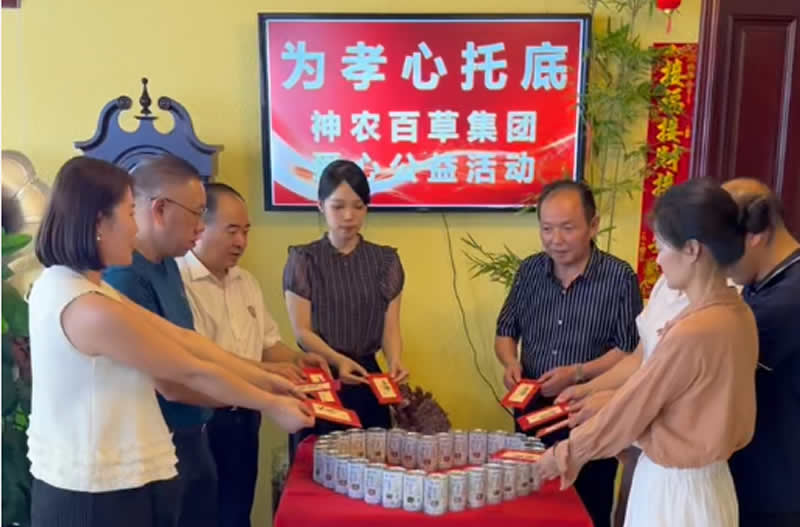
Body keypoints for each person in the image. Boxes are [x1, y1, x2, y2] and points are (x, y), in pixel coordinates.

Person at [27, 156, 313, 527]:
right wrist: (271, 402)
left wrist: (266, 379)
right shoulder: (87, 308)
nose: (135, 228)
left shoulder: (78, 286)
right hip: (94, 493)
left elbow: (183, 339)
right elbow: (187, 370)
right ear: (100, 222)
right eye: (130, 214)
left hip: (112, 483)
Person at [534, 178, 759, 527]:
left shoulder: (694, 330)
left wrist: (565, 454)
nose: (658, 258)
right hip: (708, 485)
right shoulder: (737, 313)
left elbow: (634, 407)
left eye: (662, 247)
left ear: (692, 250)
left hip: (674, 490)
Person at [102, 154, 273, 527]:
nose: (200, 226)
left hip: (194, 438)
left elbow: (191, 345)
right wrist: (264, 396)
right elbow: (171, 382)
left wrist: (269, 381)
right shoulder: (125, 276)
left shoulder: (167, 264)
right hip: (156, 449)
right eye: (197, 213)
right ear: (160, 209)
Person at [177, 182, 330, 527]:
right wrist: (270, 374)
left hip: (246, 417)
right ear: (200, 226)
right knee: (200, 516)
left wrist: (297, 360)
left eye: (246, 231)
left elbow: (267, 344)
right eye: (232, 231)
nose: (241, 242)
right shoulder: (179, 282)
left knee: (236, 513)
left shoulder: (246, 281)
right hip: (203, 419)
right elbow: (201, 360)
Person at [494, 179, 642, 527]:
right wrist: (510, 361)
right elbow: (505, 331)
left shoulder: (619, 277)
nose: (555, 240)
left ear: (593, 225)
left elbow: (628, 350)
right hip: (532, 408)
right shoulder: (530, 271)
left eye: (567, 228)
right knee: (531, 502)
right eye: (546, 229)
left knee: (587, 504)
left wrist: (578, 373)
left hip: (589, 411)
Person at [283, 160, 408, 441]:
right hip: (321, 377)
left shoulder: (385, 261)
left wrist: (395, 361)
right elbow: (302, 332)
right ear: (321, 206)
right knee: (317, 458)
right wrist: (339, 361)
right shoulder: (303, 259)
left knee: (373, 457)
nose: (349, 216)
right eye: (338, 207)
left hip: (367, 378)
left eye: (358, 206)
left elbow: (390, 328)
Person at [722, 178, 800, 527]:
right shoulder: (764, 282)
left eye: (724, 245)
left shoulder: (788, 299)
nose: (719, 261)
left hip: (779, 484)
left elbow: (711, 368)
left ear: (756, 234)